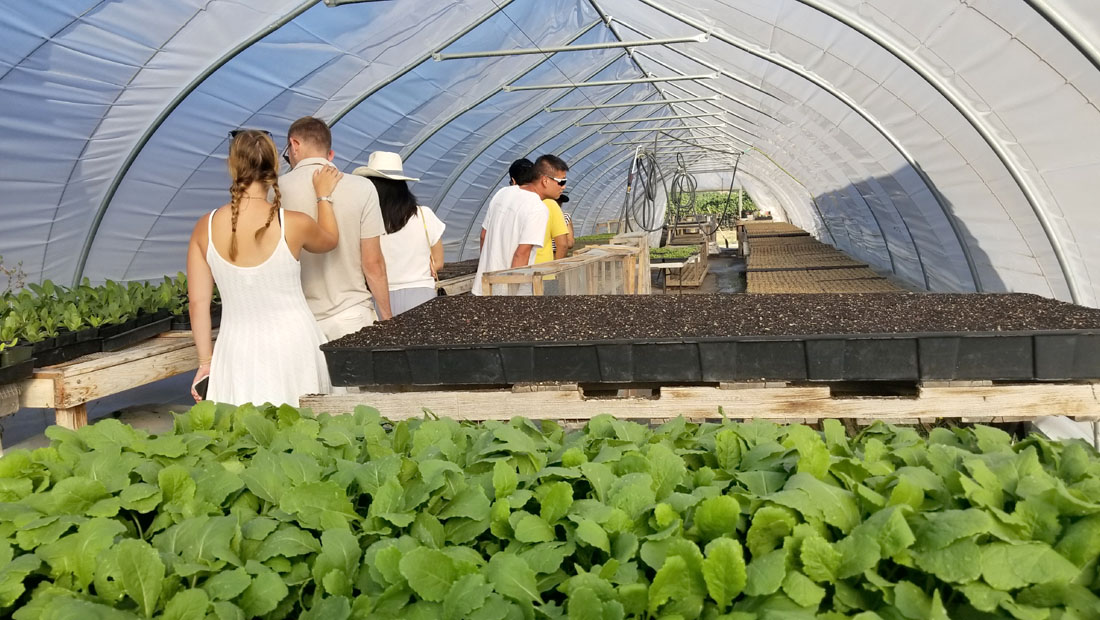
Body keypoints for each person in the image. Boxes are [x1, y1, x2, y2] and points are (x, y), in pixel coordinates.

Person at [187, 129, 341, 406]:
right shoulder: (294, 222)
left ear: (232, 166)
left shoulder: (205, 227)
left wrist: (205, 363)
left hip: (236, 350)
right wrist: (324, 197)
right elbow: (330, 241)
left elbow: (198, 304)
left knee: (244, 439)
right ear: (275, 166)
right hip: (294, 344)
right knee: (307, 433)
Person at [278, 116, 392, 342]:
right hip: (353, 315)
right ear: (328, 149)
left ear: (294, 144)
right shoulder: (362, 187)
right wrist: (387, 317)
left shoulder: (276, 191)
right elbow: (373, 263)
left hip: (299, 321)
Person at [354, 151, 445, 316]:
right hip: (422, 296)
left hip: (381, 296)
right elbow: (438, 262)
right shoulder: (424, 215)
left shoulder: (365, 221)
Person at [473, 154, 568, 295]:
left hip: (484, 285)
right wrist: (513, 297)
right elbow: (521, 254)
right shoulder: (537, 208)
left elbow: (483, 236)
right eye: (561, 182)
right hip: (509, 291)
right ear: (545, 180)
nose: (563, 187)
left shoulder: (502, 193)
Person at [482, 158, 536, 252]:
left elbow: (483, 235)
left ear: (513, 180)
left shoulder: (500, 194)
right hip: (519, 265)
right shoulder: (535, 202)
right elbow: (523, 251)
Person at [535, 194, 569, 264]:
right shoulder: (551, 206)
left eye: (560, 202)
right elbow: (566, 244)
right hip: (547, 260)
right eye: (558, 202)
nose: (559, 204)